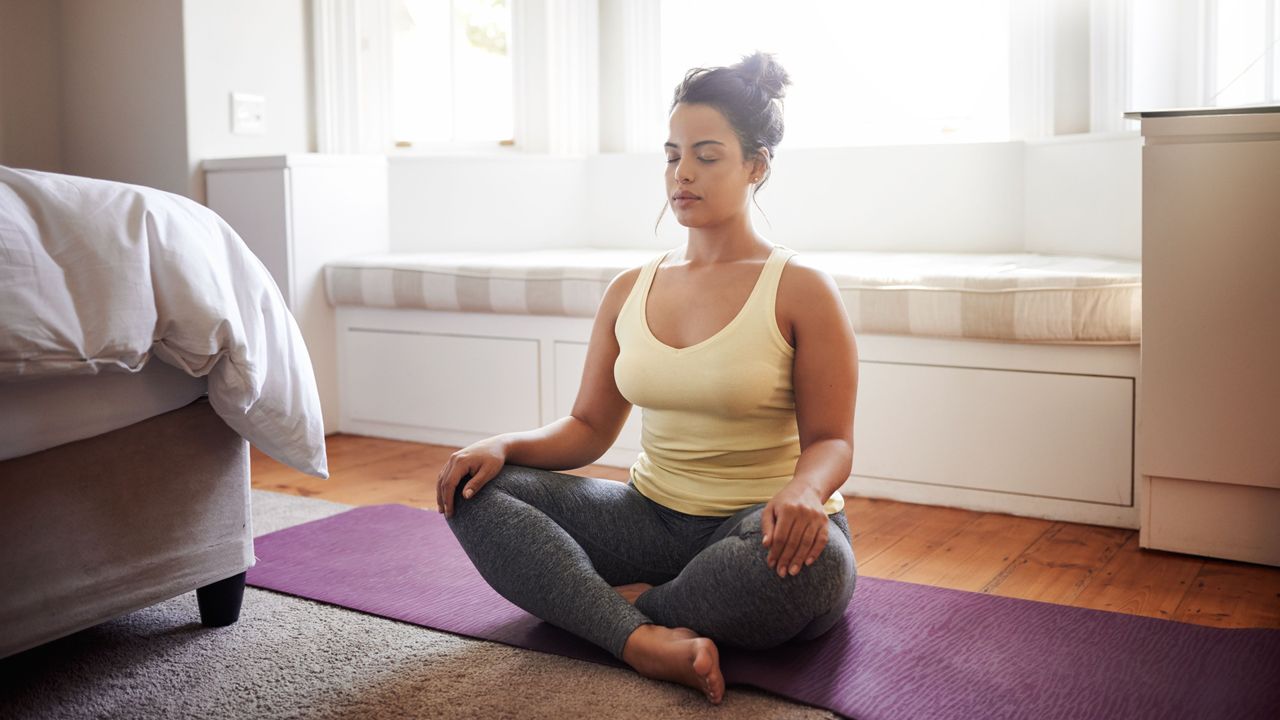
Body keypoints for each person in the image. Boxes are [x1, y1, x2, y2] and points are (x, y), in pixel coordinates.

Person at [435, 51, 858, 705]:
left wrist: (805, 490)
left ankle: (616, 607)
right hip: (647, 520)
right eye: (671, 155)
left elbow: (833, 440)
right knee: (472, 492)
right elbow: (587, 429)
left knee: (818, 568)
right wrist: (503, 446)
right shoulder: (629, 289)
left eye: (707, 155)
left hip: (758, 530)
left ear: (756, 165)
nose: (682, 173)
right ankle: (640, 639)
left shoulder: (801, 289)